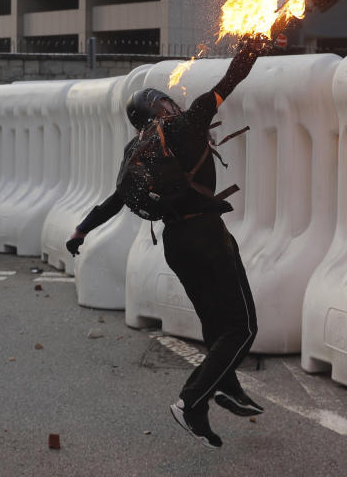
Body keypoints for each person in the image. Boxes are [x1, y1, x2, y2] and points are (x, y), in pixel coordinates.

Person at [67, 37, 269, 449]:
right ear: (160, 108)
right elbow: (233, 77)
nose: (172, 105)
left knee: (216, 324)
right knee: (242, 327)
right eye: (165, 102)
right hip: (208, 237)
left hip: (178, 243)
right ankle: (192, 402)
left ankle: (226, 388)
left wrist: (81, 230)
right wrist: (256, 42)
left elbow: (116, 199)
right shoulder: (187, 124)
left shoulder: (140, 151)